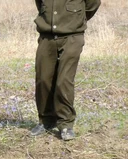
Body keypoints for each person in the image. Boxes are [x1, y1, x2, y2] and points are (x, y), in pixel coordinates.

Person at [30, 0, 101, 141]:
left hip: (72, 36)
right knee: (43, 79)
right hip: (47, 37)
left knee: (64, 81)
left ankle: (65, 124)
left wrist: (76, 18)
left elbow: (93, 4)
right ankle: (46, 121)